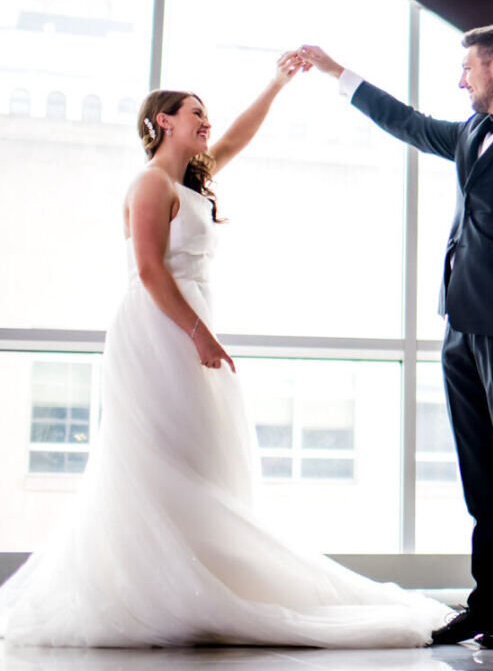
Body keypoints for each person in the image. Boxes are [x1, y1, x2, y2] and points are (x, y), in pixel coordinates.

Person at [0, 55, 448, 649]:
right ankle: (156, 588)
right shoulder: (149, 185)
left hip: (190, 325)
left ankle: (203, 577)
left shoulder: (190, 182)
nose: (206, 123)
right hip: (160, 330)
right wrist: (198, 333)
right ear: (163, 121)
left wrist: (278, 84)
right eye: (195, 114)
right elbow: (149, 270)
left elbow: (238, 135)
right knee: (161, 456)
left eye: (206, 114)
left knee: (201, 455)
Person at [298, 25, 493, 650]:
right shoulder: (473, 135)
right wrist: (337, 72)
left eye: (468, 70)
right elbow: (406, 122)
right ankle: (488, 605)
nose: (461, 81)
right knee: (480, 479)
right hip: (460, 324)